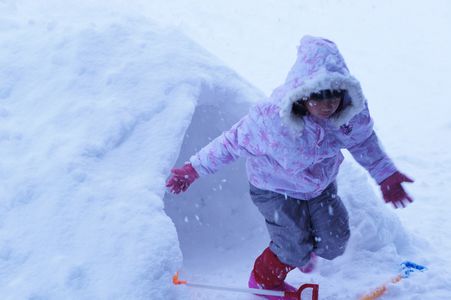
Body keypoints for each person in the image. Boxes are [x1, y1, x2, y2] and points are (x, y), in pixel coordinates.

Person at [165, 35, 414, 299]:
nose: (328, 104)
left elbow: (364, 143)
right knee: (292, 246)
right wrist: (193, 170)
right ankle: (263, 281)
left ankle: (303, 250)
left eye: (335, 95)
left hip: (320, 188)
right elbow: (230, 143)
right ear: (302, 93)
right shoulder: (272, 122)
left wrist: (385, 175)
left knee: (334, 241)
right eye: (319, 95)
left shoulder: (348, 117)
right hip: (274, 188)